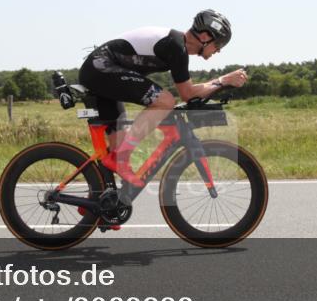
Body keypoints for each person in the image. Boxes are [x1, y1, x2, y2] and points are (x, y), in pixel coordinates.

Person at [78, 10, 248, 188]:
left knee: (118, 155)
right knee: (165, 101)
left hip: (102, 71)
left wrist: (220, 83)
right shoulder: (176, 46)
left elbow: (189, 91)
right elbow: (188, 93)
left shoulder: (176, 46)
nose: (219, 50)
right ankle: (116, 163)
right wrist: (224, 80)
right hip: (100, 69)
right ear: (205, 36)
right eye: (219, 44)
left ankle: (99, 204)